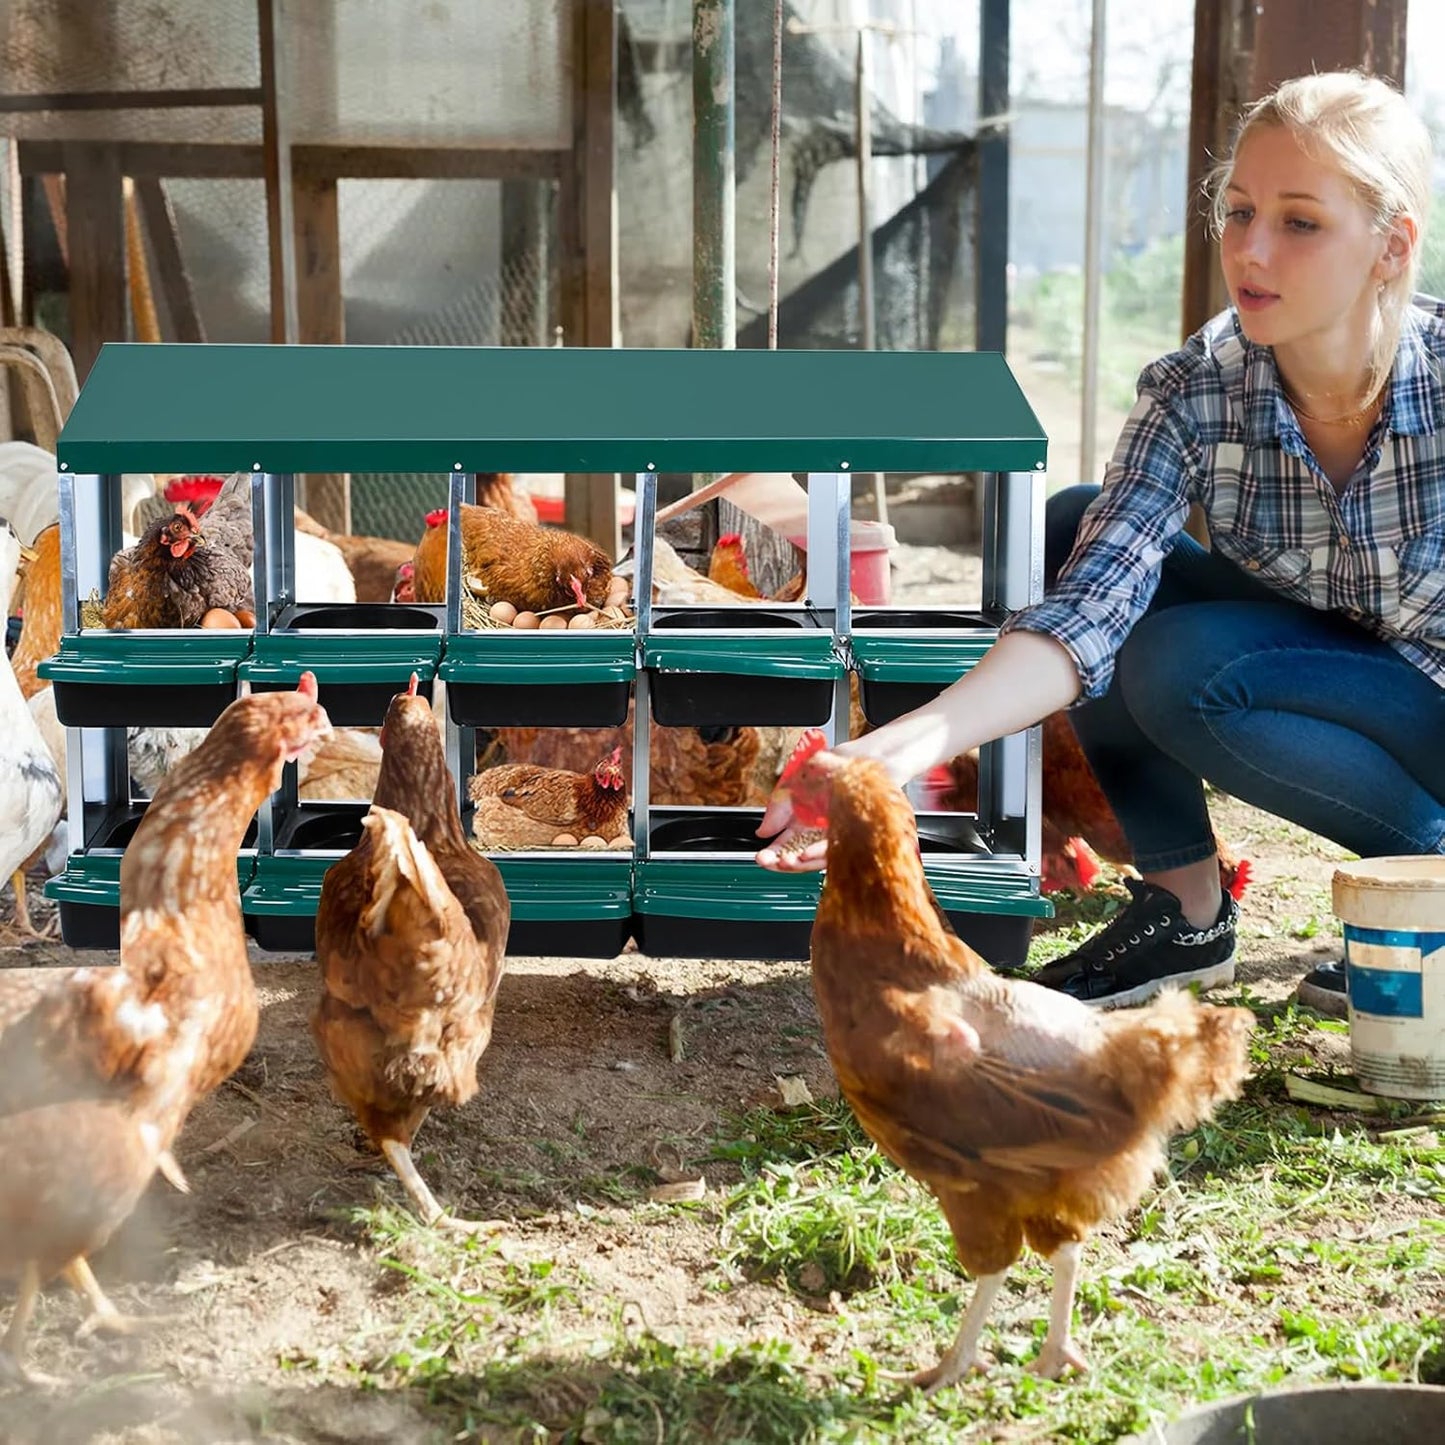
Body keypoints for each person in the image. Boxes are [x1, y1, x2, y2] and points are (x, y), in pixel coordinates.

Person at [756, 70, 1445, 1014]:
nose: (1249, 248)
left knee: (1180, 662)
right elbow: (1089, 609)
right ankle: (1182, 907)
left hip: (1430, 701)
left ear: (1390, 244)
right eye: (1237, 210)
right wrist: (887, 755)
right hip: (1316, 657)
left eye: (1299, 221)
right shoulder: (1198, 387)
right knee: (1069, 526)